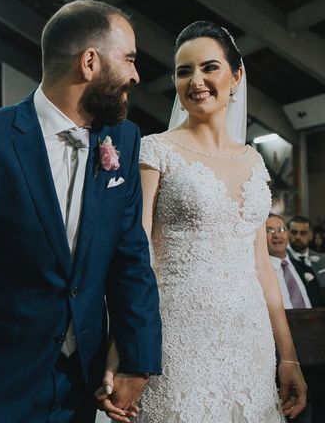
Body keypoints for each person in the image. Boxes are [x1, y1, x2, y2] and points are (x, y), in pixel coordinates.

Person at [0, 0, 161, 423]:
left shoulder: (124, 138)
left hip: (83, 377)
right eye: (130, 59)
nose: (136, 76)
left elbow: (131, 258)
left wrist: (137, 357)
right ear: (89, 62)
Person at [137, 21, 306, 422]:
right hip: (177, 336)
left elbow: (262, 267)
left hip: (250, 341)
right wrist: (128, 344)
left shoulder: (253, 160)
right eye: (184, 71)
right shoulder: (155, 150)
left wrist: (289, 356)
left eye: (209, 67)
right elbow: (136, 252)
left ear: (236, 76)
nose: (196, 81)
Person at [266, 214, 311, 309]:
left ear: (287, 234)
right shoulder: (259, 273)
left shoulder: (303, 267)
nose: (276, 235)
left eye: (281, 229)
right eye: (269, 230)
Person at [287, 215, 325, 307]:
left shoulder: (323, 259)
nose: (298, 237)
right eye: (294, 232)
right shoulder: (282, 260)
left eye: (303, 233)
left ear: (311, 236)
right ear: (287, 233)